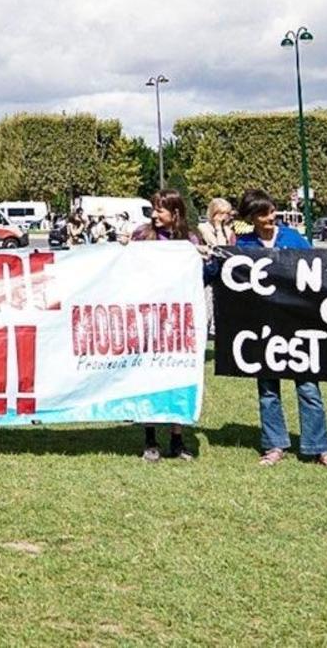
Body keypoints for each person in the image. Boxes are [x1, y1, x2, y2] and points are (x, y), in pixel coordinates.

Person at [235, 190, 327, 471]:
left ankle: (319, 448)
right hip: (264, 327)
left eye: (272, 211)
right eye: (263, 214)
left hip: (298, 325)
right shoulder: (243, 244)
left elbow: (318, 273)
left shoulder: (294, 239)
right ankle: (274, 445)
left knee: (308, 387)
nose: (271, 217)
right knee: (268, 387)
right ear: (250, 218)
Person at [129, 191, 193, 462]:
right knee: (150, 377)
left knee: (178, 377)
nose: (154, 215)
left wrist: (206, 259)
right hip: (148, 318)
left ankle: (177, 439)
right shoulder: (142, 237)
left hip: (178, 320)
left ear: (175, 213)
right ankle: (150, 439)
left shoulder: (190, 240)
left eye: (159, 210)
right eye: (153, 210)